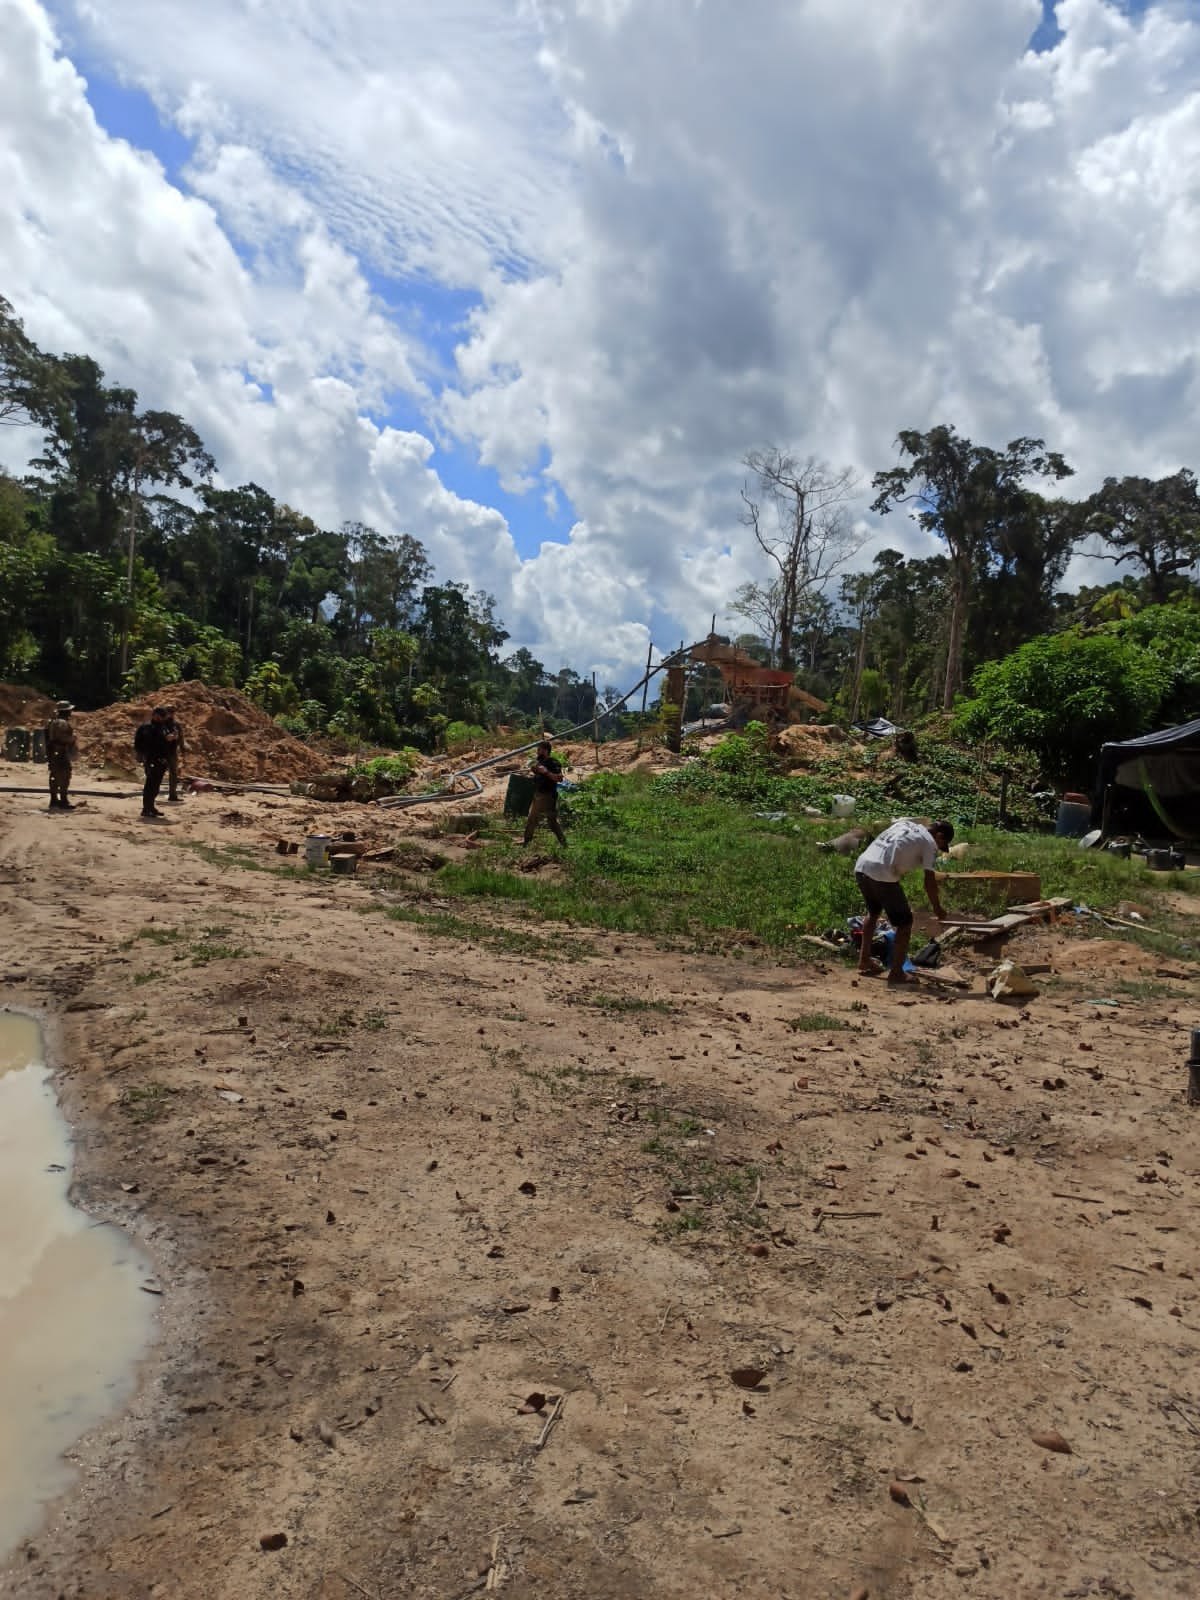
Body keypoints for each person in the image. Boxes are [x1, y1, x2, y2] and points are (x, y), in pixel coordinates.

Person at [854, 818, 953, 985]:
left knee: (873, 912)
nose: (938, 848)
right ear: (940, 835)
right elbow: (929, 881)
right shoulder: (929, 843)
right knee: (905, 923)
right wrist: (937, 908)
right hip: (883, 873)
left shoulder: (905, 824)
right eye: (941, 844)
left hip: (862, 866)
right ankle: (897, 972)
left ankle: (864, 961)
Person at [522, 740, 567, 847]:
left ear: (546, 751)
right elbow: (537, 775)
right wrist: (534, 769)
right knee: (532, 820)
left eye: (539, 750)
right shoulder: (539, 762)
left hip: (548, 796)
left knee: (551, 822)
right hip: (538, 794)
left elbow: (559, 779)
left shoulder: (553, 763)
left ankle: (564, 843)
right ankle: (526, 843)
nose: (537, 752)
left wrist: (546, 772)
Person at [134, 707, 174, 821]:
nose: (163, 718)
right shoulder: (147, 728)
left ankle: (151, 807)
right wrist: (142, 756)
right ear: (155, 715)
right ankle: (146, 809)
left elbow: (165, 742)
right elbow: (145, 743)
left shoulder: (163, 727)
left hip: (162, 760)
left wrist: (170, 739)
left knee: (156, 786)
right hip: (152, 759)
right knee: (150, 786)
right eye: (161, 716)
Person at [44, 701, 78, 811]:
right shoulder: (62, 723)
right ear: (66, 711)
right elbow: (61, 738)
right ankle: (62, 801)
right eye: (69, 711)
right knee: (64, 776)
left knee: (55, 776)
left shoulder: (53, 722)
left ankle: (55, 800)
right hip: (60, 752)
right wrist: (72, 739)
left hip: (54, 753)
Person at [161, 704, 185, 802]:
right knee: (158, 773)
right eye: (169, 711)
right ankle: (151, 795)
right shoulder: (161, 724)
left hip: (172, 752)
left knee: (173, 774)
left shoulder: (176, 724)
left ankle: (173, 795)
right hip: (161, 752)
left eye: (172, 712)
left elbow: (181, 737)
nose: (171, 714)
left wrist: (182, 748)